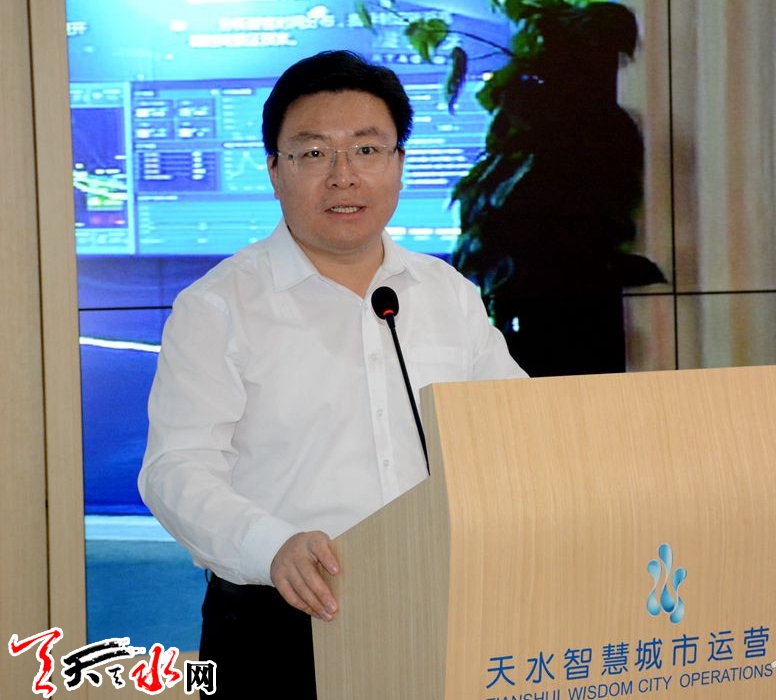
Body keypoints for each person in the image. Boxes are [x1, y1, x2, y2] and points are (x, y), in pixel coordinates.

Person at [138, 49, 528, 697]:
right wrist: (273, 546)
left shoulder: (445, 294)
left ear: (398, 163)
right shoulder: (218, 306)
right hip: (282, 616)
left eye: (367, 150)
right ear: (274, 169)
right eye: (314, 153)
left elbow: (513, 429)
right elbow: (175, 469)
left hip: (438, 603)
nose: (344, 176)